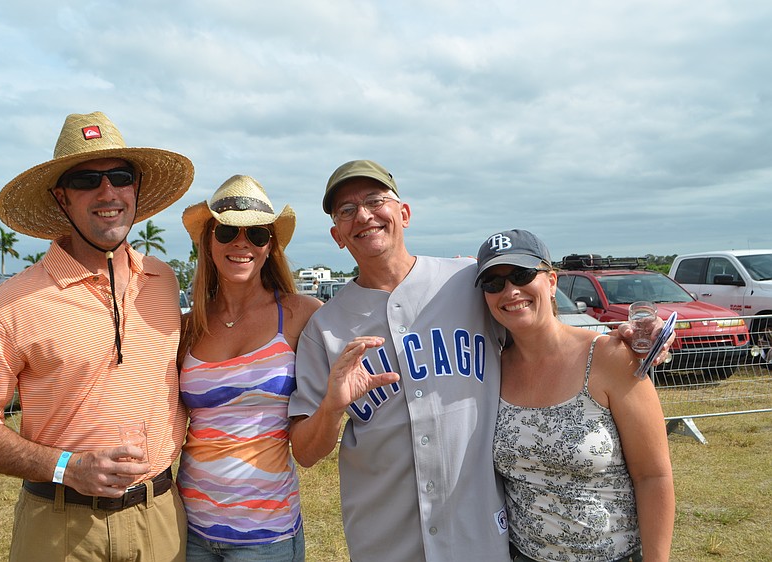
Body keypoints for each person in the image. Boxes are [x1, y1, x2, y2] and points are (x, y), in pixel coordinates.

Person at [287, 160, 673, 562]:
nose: (363, 215)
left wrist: (637, 339)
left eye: (374, 200)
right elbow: (306, 452)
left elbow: (539, 328)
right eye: (346, 211)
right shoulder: (325, 327)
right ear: (336, 235)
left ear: (403, 212)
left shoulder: (467, 282)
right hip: (384, 538)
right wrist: (332, 407)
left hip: (477, 538)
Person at [0, 111, 194, 561]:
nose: (108, 192)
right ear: (62, 198)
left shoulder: (163, 281)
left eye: (120, 176)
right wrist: (67, 467)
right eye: (86, 180)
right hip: (60, 526)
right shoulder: (10, 304)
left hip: (159, 515)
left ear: (135, 188)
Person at [477, 229, 674, 562]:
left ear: (551, 281)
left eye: (522, 274)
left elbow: (653, 476)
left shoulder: (610, 357)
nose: (510, 290)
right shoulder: (491, 369)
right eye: (493, 283)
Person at [177, 175, 321, 561]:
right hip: (188, 526)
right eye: (227, 231)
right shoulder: (189, 327)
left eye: (257, 234)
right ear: (209, 242)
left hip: (267, 534)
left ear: (270, 246)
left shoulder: (298, 314)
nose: (241, 243)